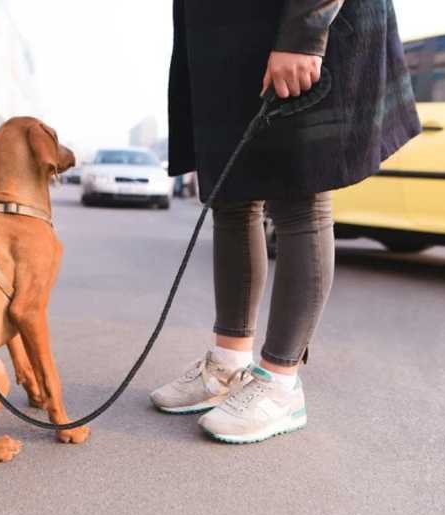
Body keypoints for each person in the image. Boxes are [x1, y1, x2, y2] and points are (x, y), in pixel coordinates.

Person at [151, 0, 420, 443]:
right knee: (231, 199)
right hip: (223, 39)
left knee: (299, 196)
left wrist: (304, 32)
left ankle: (279, 384)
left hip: (290, 29)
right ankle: (228, 365)